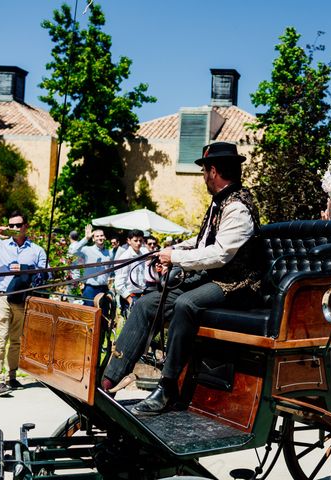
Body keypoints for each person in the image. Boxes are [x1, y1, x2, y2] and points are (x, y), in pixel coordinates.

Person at [101, 142, 262, 415]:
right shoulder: (219, 203)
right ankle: (110, 378)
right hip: (213, 280)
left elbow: (220, 254)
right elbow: (202, 241)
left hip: (239, 285)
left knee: (187, 304)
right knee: (147, 302)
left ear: (213, 171)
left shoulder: (238, 208)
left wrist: (175, 259)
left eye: (204, 172)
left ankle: (167, 386)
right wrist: (170, 251)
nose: (203, 178)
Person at [0, 211, 47, 396]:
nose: (13, 229)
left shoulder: (37, 250)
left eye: (18, 225)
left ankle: (12, 377)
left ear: (26, 226)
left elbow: (44, 274)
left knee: (16, 341)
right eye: (10, 225)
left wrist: (25, 269)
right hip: (1, 296)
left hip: (21, 298)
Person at [68, 225, 112, 306]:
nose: (100, 237)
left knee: (104, 314)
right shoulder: (87, 249)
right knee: (90, 314)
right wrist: (86, 238)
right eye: (97, 236)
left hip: (104, 288)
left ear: (104, 237)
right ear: (93, 239)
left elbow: (111, 269)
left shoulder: (109, 252)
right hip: (90, 288)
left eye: (101, 235)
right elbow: (73, 251)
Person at [114, 229, 149, 319]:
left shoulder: (144, 254)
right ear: (129, 241)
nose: (138, 243)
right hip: (129, 297)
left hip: (142, 295)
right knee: (131, 329)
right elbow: (118, 285)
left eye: (140, 240)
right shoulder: (125, 257)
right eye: (135, 240)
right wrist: (130, 300)